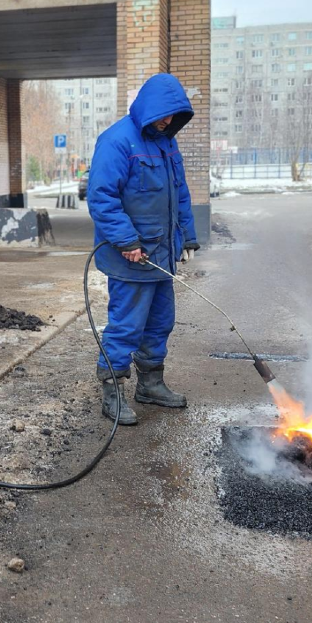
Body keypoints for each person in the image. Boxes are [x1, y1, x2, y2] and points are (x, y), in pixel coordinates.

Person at [87, 73, 199, 426]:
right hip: (130, 257)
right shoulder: (117, 141)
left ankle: (151, 385)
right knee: (126, 326)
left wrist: (188, 236)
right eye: (163, 115)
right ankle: (112, 392)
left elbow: (179, 193)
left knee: (160, 323)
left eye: (173, 117)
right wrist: (126, 241)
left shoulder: (167, 143)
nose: (167, 122)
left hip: (161, 255)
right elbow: (101, 197)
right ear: (148, 108)